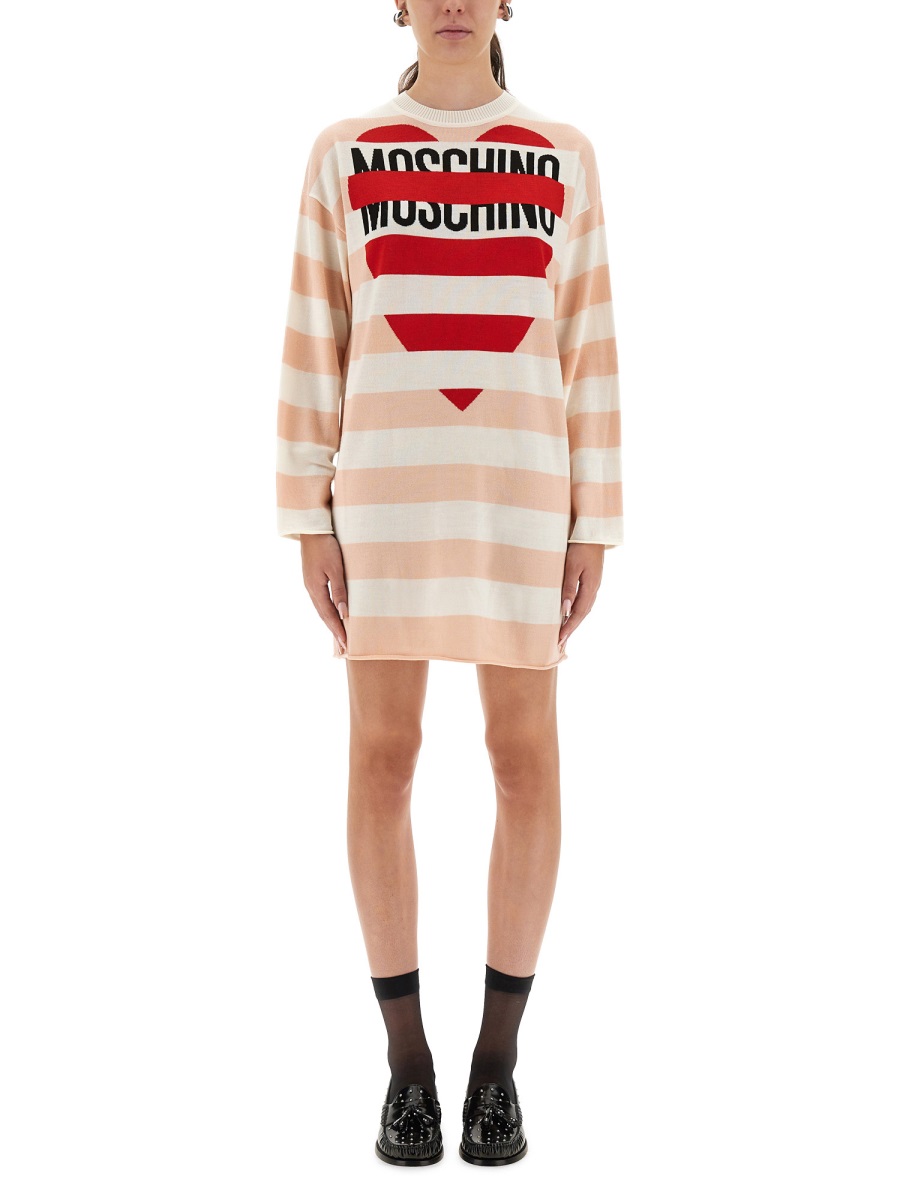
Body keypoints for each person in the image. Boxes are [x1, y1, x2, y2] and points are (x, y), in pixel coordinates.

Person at [274, 0, 624, 1167]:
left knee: (525, 760)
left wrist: (595, 518)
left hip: (522, 497)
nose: (457, 2)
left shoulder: (563, 155)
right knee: (382, 759)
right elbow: (314, 338)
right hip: (381, 501)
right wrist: (305, 512)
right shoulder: (345, 153)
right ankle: (407, 1067)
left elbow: (589, 346)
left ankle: (497, 1067)